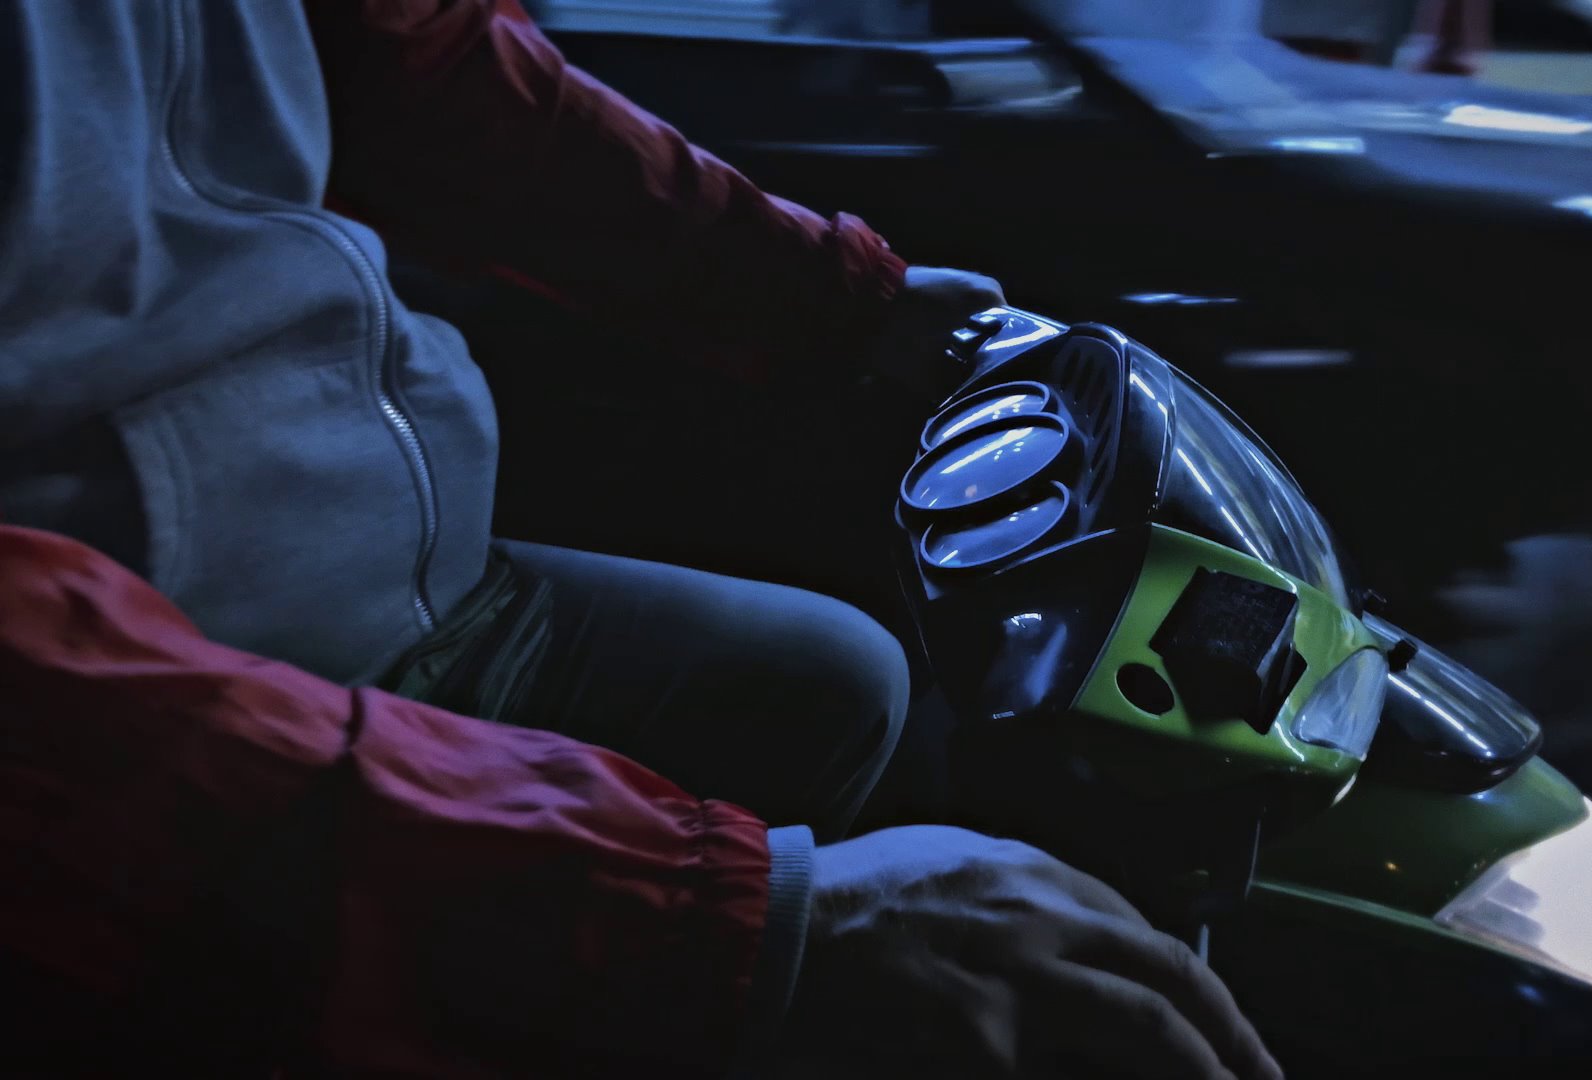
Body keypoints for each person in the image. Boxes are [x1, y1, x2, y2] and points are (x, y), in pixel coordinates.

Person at [0, 1, 1282, 1077]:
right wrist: (710, 920)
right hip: (156, 671)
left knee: (832, 677)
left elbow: (427, 69)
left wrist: (839, 296)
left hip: (394, 565)